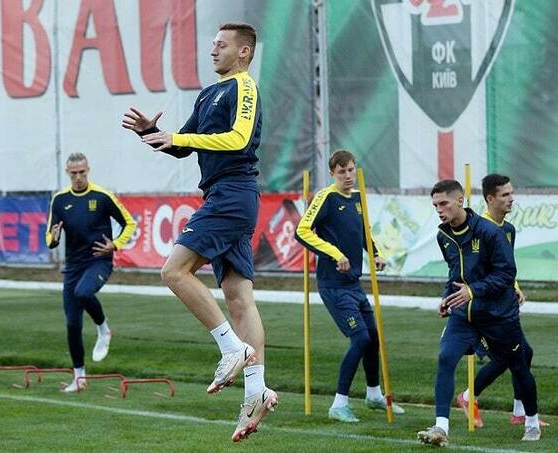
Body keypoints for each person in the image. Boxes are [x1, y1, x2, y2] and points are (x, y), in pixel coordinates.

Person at [122, 22, 277, 442]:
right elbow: (184, 144)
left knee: (173, 272)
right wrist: (150, 133)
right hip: (224, 194)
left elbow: (238, 139)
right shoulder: (209, 93)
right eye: (213, 45)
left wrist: (179, 135)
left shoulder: (244, 87)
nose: (213, 51)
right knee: (239, 297)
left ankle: (231, 348)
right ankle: (256, 392)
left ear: (244, 52)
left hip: (232, 193)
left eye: (222, 45)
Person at [417, 179, 541, 446]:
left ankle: (531, 421)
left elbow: (506, 274)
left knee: (519, 365)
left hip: (498, 316)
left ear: (460, 201)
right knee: (446, 358)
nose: (439, 210)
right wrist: (446, 298)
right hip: (463, 316)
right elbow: (454, 275)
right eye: (435, 205)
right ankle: (441, 428)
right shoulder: (443, 236)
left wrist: (472, 291)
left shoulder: (490, 232)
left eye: (443, 204)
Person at [295, 149, 405, 423]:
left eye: (350, 170)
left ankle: (374, 395)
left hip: (354, 283)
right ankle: (339, 404)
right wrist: (335, 254)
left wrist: (375, 253)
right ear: (332, 173)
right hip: (332, 284)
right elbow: (302, 231)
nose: (347, 175)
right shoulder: (326, 197)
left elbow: (363, 232)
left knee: (373, 337)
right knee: (360, 339)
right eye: (341, 171)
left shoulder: (357, 197)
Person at [456, 174, 548, 428]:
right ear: (490, 198)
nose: (511, 199)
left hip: (505, 305)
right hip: (486, 310)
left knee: (523, 353)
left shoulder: (508, 229)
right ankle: (468, 396)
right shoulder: (479, 229)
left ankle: (518, 411)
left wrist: (515, 287)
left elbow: (505, 267)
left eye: (511, 193)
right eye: (505, 194)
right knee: (508, 358)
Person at [45, 153, 136, 392]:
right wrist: (54, 239)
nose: (78, 177)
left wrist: (115, 244)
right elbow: (50, 237)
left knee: (84, 292)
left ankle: (103, 329)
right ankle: (79, 378)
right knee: (72, 324)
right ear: (67, 173)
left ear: (88, 170)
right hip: (73, 266)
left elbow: (130, 223)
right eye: (73, 173)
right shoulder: (60, 200)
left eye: (82, 172)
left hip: (99, 261)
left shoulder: (102, 196)